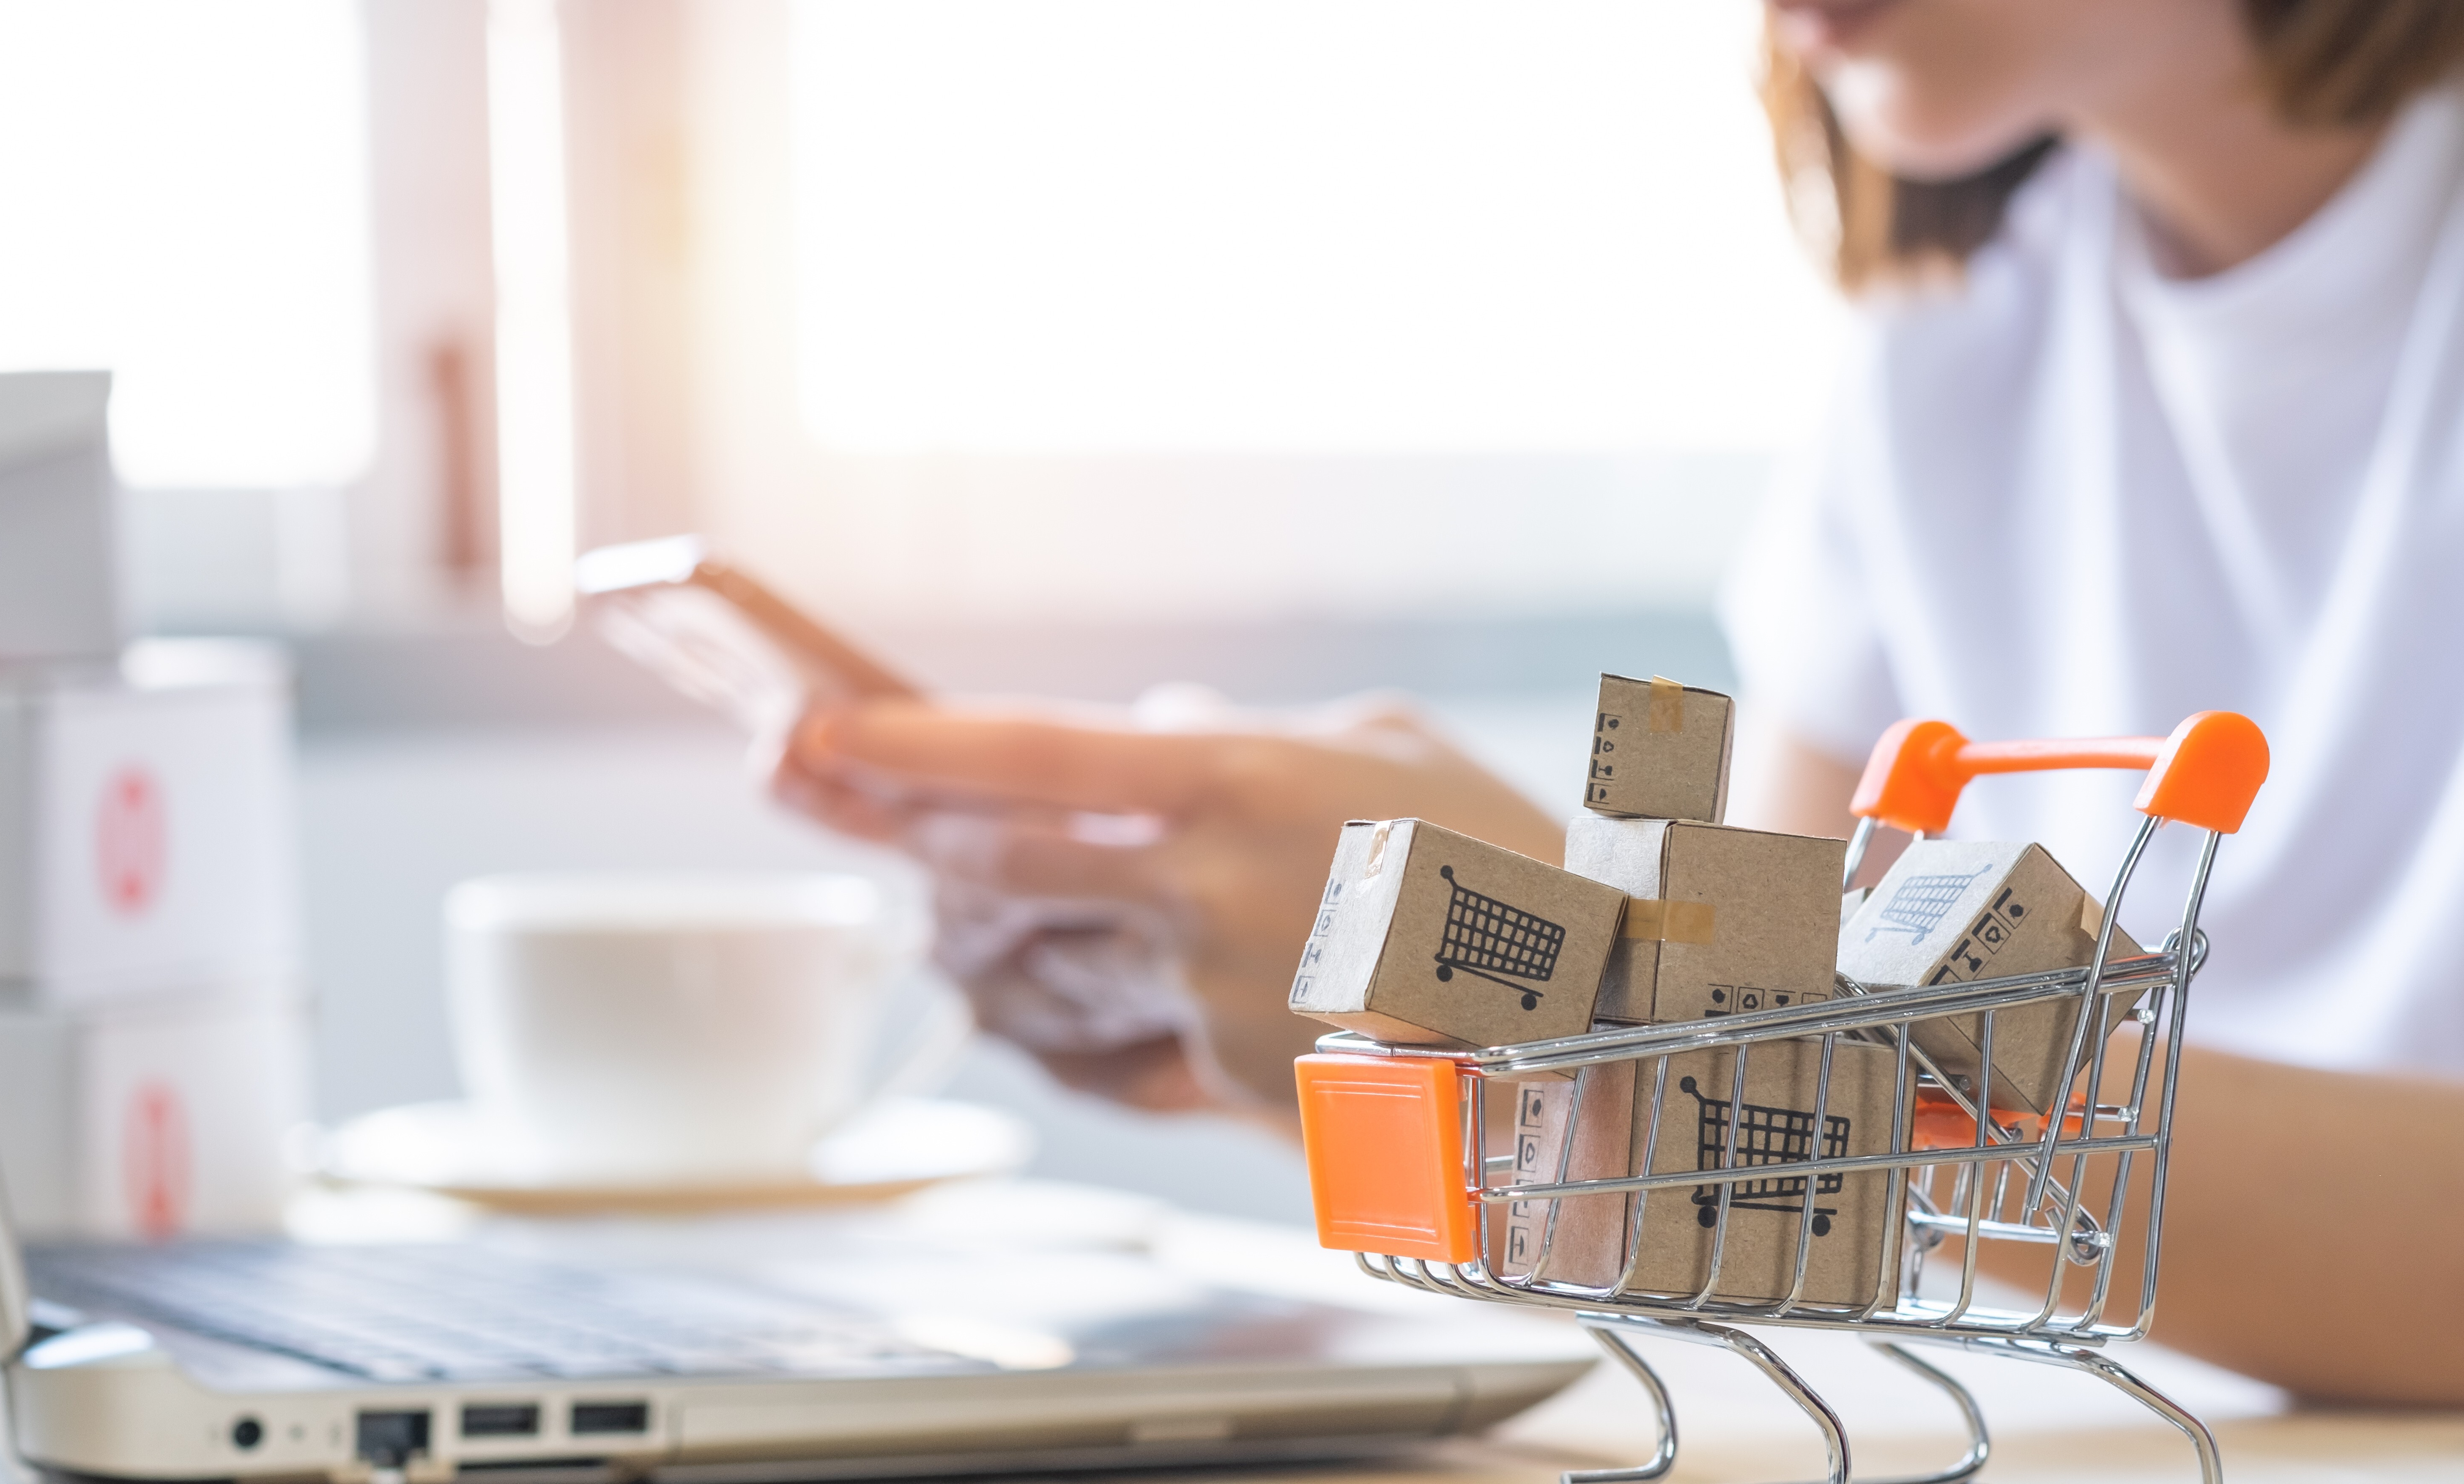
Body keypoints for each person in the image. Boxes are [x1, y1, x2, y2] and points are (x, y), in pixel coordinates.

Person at [775, 0, 2464, 1403]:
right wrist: (1413, 1027)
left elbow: (1772, 1067)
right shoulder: (1945, 347)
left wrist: (1588, 980)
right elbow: (1763, 1168)